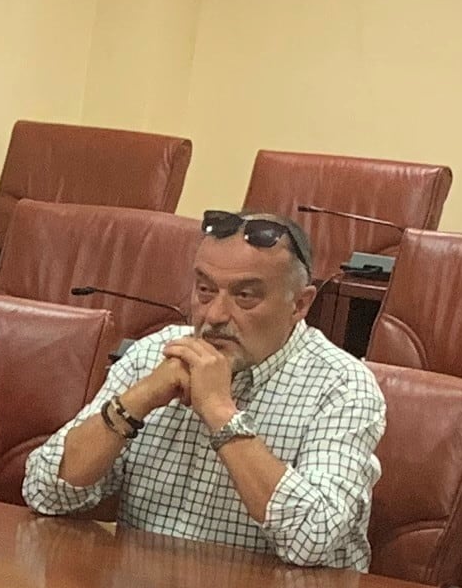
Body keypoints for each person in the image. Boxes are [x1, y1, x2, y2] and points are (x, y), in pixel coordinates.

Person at [21, 209, 387, 569]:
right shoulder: (155, 354)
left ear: (300, 304)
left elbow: (313, 540)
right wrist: (141, 398)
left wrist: (219, 412)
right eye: (205, 290)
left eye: (245, 296)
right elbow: (46, 491)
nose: (214, 315)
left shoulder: (342, 385)